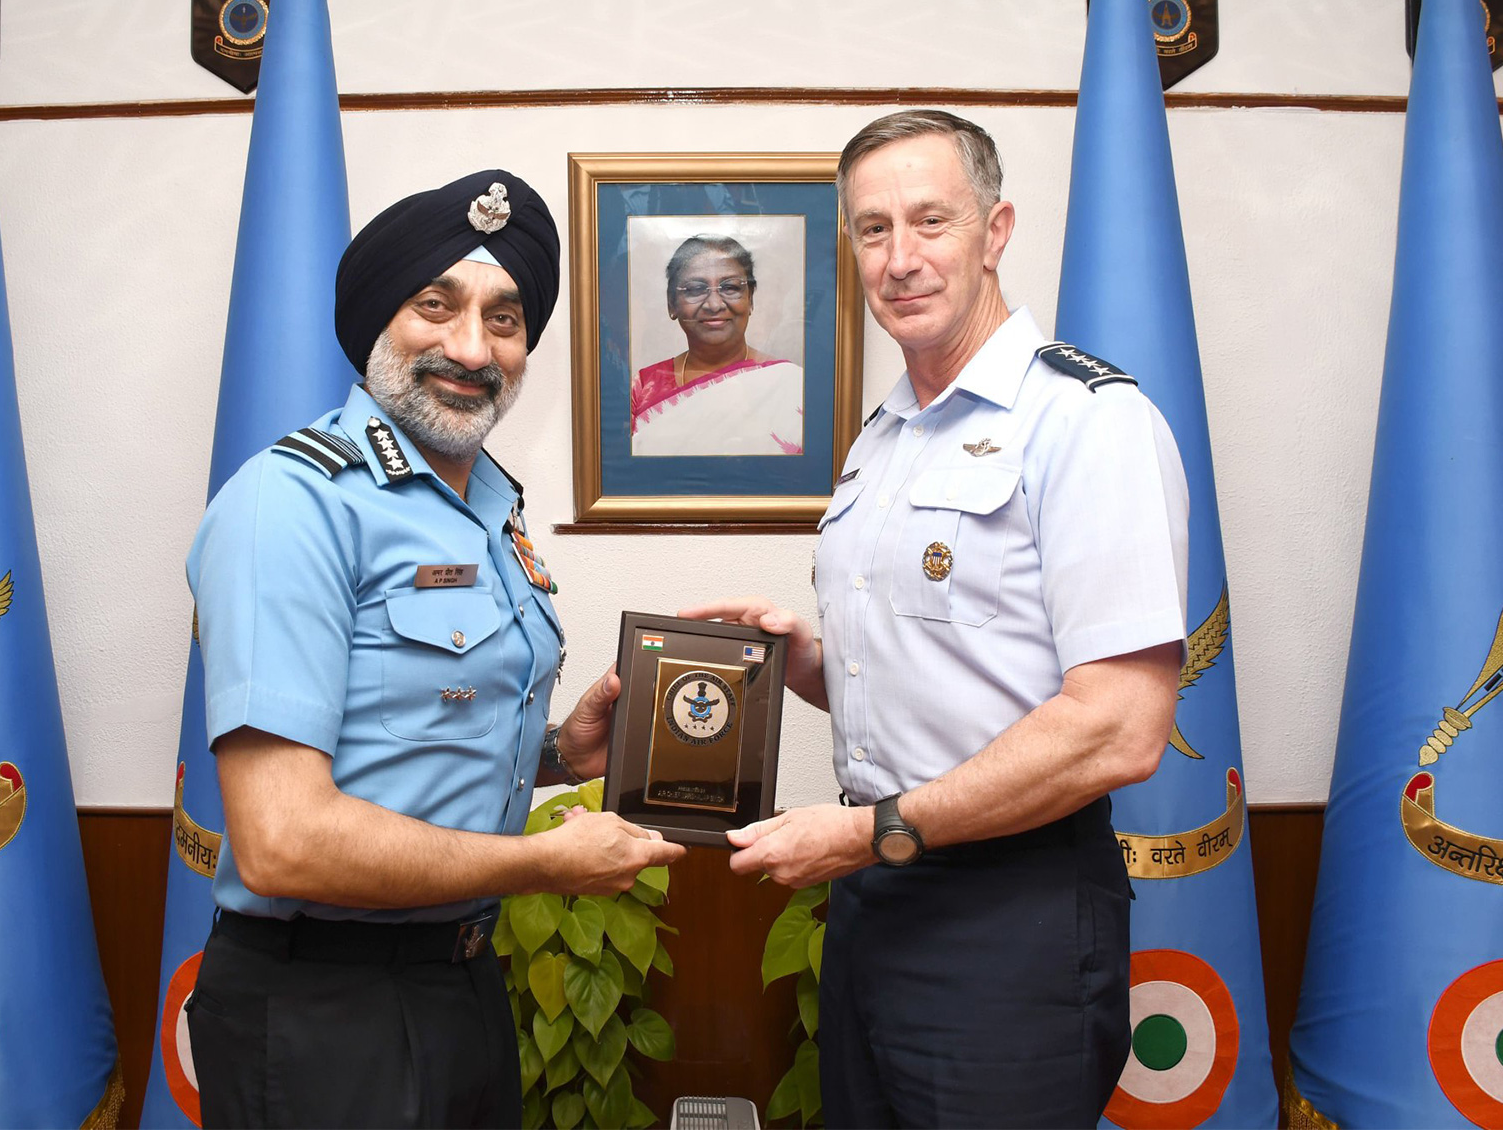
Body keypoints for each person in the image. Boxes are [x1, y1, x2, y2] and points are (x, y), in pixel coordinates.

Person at [685, 110, 1190, 1128]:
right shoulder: (887, 438)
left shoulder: (1086, 422)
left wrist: (876, 834)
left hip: (1013, 914)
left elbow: (1119, 727)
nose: (900, 258)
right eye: (872, 230)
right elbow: (931, 673)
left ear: (995, 230)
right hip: (878, 900)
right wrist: (804, 662)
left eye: (930, 221)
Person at [183, 169, 685, 1129]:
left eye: (504, 318)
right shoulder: (292, 506)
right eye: (435, 306)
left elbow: (397, 736)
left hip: (458, 986)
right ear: (377, 321)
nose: (470, 347)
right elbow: (284, 840)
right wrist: (544, 864)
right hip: (322, 1010)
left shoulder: (489, 504)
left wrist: (555, 755)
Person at [630, 233, 804, 456]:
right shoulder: (642, 389)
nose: (714, 304)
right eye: (694, 289)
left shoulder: (791, 386)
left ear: (750, 299)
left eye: (730, 288)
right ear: (671, 303)